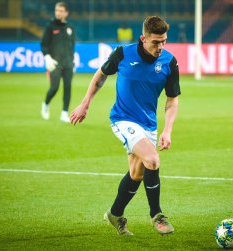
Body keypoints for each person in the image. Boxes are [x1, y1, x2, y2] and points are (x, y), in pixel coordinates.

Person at [70, 16, 181, 236]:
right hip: (123, 119)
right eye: (155, 42)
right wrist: (85, 104)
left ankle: (114, 213)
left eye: (164, 41)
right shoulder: (123, 54)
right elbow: (100, 76)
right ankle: (157, 215)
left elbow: (172, 100)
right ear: (143, 39)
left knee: (136, 173)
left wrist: (167, 130)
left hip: (148, 124)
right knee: (152, 159)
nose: (160, 47)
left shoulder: (169, 62)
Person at [41, 2, 75, 123]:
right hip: (54, 63)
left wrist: (73, 61)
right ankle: (45, 104)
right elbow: (43, 45)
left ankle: (64, 113)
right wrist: (47, 57)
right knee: (54, 88)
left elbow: (72, 46)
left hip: (68, 63)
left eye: (61, 11)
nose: (58, 13)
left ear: (66, 13)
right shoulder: (50, 26)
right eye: (56, 10)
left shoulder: (70, 27)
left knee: (67, 87)